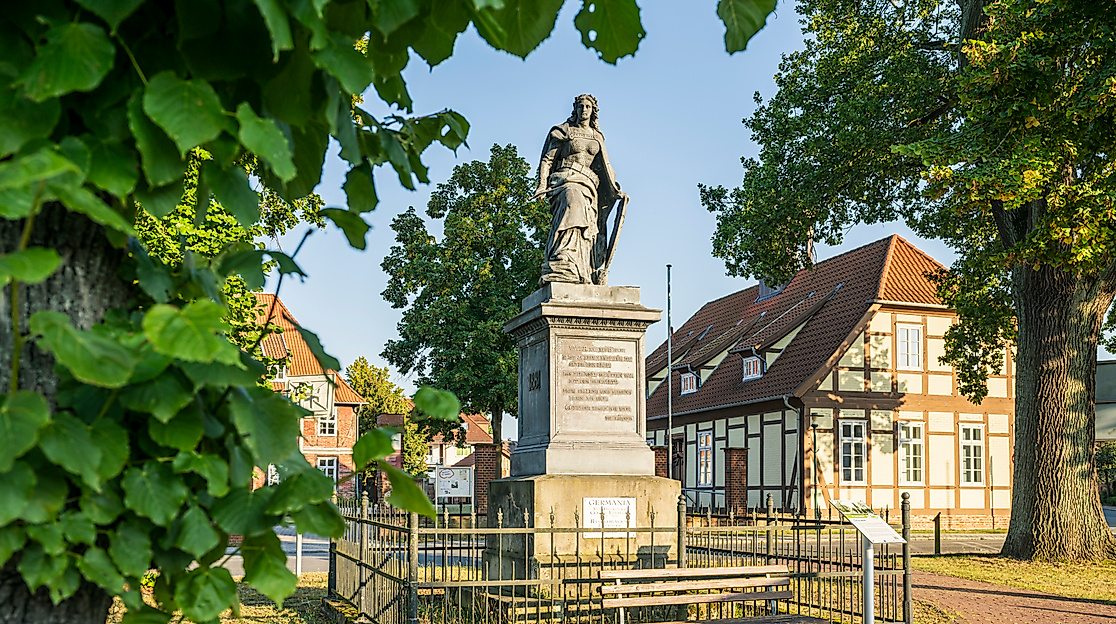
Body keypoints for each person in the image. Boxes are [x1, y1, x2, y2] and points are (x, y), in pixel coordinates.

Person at [534, 94, 628, 285]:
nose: (584, 110)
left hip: (590, 184)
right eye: (581, 106)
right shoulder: (564, 131)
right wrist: (542, 185)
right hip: (566, 179)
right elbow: (548, 160)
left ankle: (580, 268)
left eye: (588, 107)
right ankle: (563, 257)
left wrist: (615, 190)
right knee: (573, 201)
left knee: (588, 226)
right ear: (575, 109)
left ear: (593, 111)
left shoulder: (597, 137)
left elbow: (604, 167)